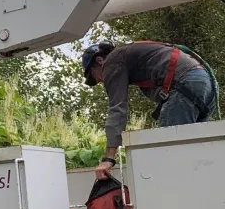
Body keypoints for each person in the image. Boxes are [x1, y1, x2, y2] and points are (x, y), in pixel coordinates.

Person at [83, 40, 217, 180]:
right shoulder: (134, 56)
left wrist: (108, 159)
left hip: (186, 85)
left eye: (94, 76)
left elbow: (117, 109)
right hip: (206, 86)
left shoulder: (111, 61)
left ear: (99, 61)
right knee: (194, 156)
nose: (101, 81)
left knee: (169, 154)